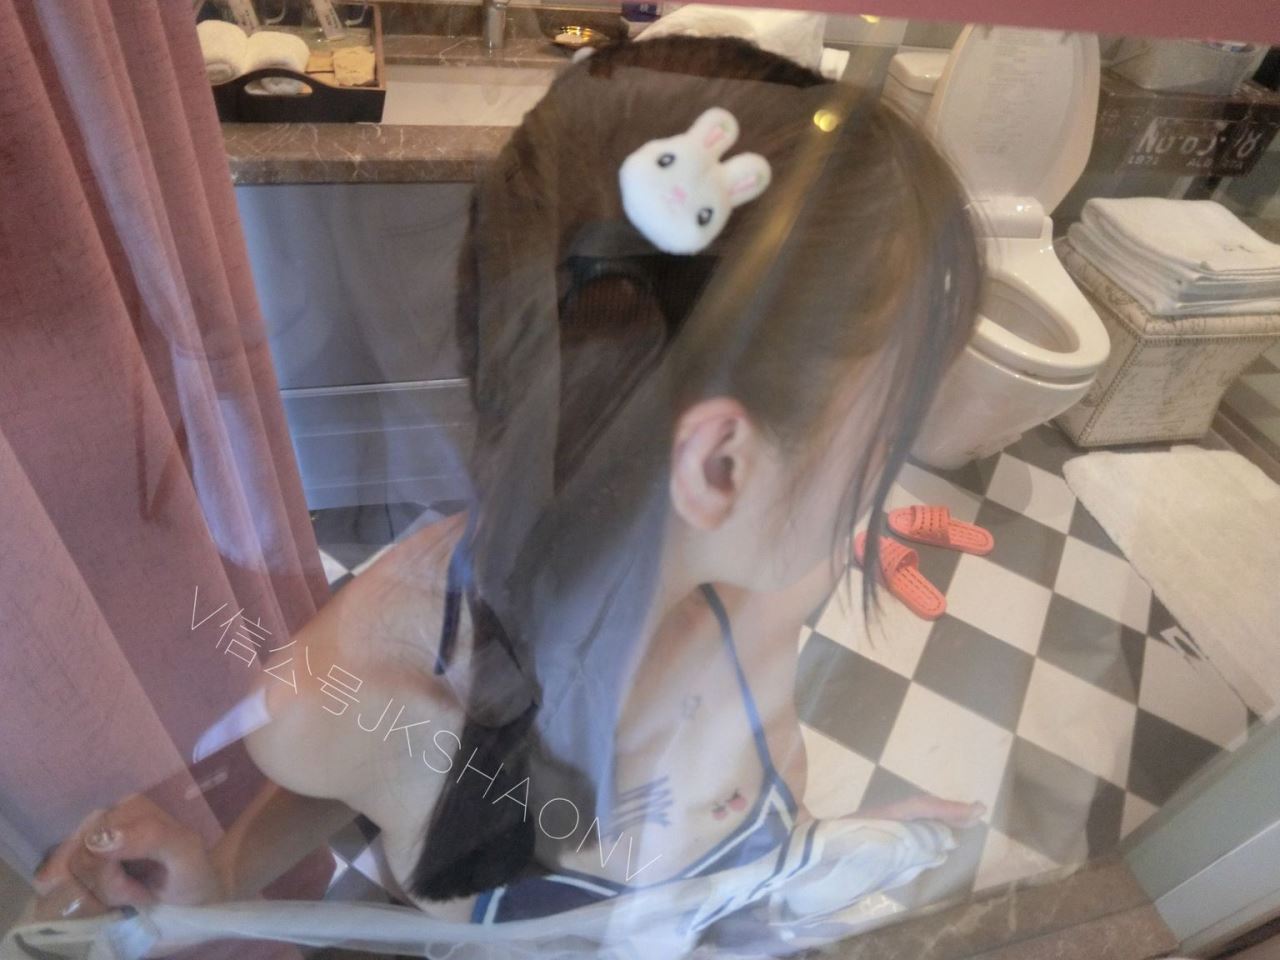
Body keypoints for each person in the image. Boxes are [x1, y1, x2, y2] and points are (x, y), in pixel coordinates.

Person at [30, 34, 985, 950]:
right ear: (719, 467)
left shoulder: (780, 578)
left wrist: (820, 864)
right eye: (887, 431)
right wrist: (222, 878)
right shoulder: (353, 692)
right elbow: (377, 750)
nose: (885, 475)